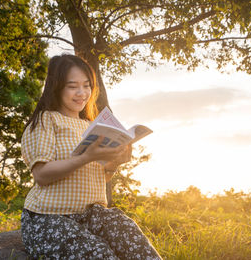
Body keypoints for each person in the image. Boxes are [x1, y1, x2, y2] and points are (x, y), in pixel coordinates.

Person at [20, 54, 162, 259]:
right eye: (72, 86)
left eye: (87, 86)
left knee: (134, 241)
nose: (82, 93)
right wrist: (86, 157)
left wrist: (114, 163)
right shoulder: (46, 120)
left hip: (93, 215)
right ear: (57, 87)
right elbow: (41, 174)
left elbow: (98, 178)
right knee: (100, 255)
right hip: (49, 218)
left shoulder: (91, 126)